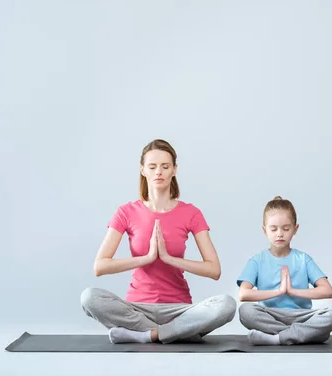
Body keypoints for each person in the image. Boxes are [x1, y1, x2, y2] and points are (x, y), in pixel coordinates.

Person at [81, 139, 236, 344]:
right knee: (89, 297)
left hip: (179, 310)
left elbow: (214, 270)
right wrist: (147, 258)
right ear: (143, 170)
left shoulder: (191, 213)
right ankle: (175, 333)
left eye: (165, 166)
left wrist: (169, 259)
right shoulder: (126, 212)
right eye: (152, 167)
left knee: (226, 304)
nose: (158, 172)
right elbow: (100, 266)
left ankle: (149, 335)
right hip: (137, 309)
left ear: (174, 170)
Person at [236, 196, 332, 345]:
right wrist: (279, 292)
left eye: (286, 229)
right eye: (273, 229)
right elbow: (243, 294)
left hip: (302, 315)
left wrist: (292, 291)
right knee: (245, 311)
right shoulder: (257, 260)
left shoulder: (303, 259)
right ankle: (304, 334)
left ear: (295, 229)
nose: (280, 233)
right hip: (271, 315)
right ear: (264, 230)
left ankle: (277, 338)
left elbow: (327, 291)